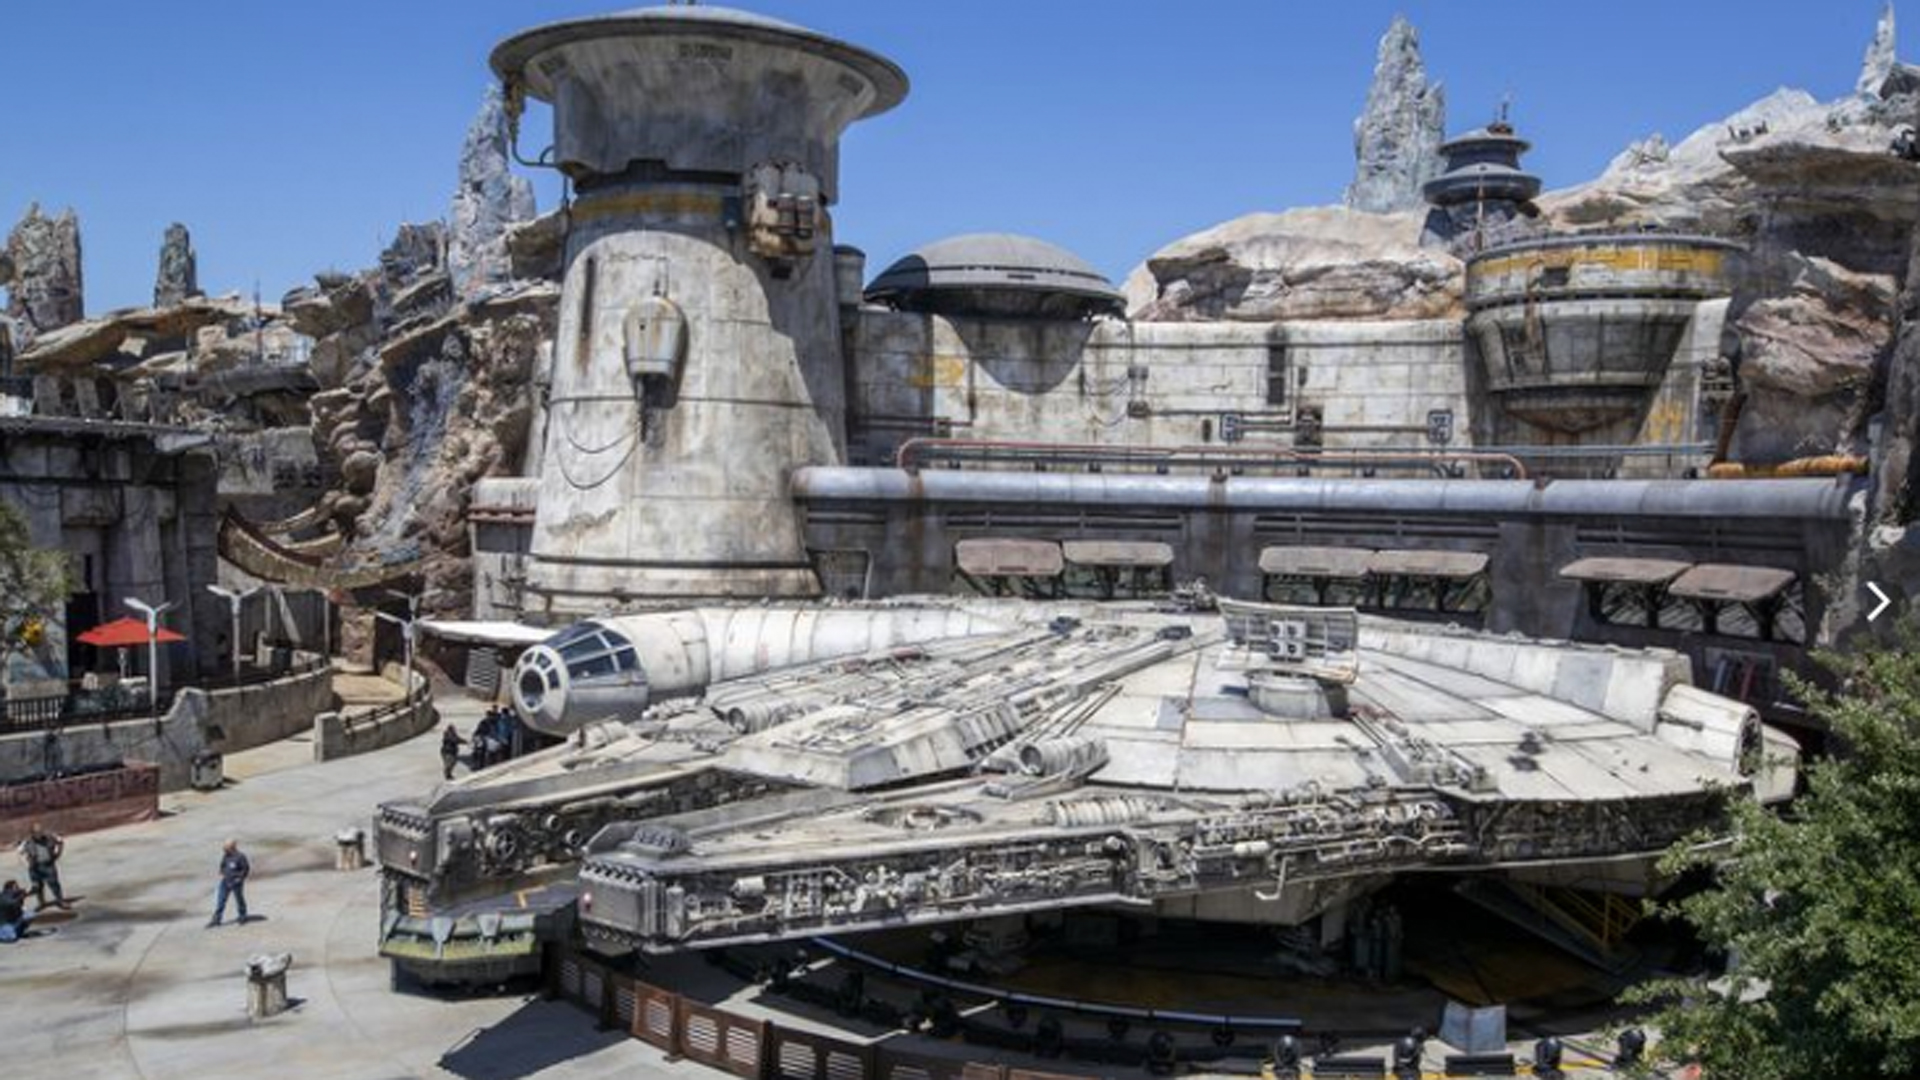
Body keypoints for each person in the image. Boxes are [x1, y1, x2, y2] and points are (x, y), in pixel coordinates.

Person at [17, 822, 67, 910]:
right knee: (37, 886)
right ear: (32, 833)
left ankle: (60, 901)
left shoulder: (49, 838)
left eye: (40, 831)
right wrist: (27, 863)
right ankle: (41, 903)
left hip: (48, 865)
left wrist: (58, 854)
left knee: (54, 884)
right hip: (35, 867)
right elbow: (20, 852)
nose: (39, 834)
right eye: (37, 832)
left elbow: (60, 842)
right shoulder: (27, 842)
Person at [208, 838, 250, 928]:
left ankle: (242, 916)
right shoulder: (226, 856)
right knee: (220, 901)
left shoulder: (240, 856)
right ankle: (216, 919)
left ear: (233, 846)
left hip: (236, 882)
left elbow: (245, 869)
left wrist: (239, 878)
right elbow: (222, 865)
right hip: (225, 882)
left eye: (226, 847)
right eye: (225, 847)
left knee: (239, 900)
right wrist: (222, 872)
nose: (224, 848)